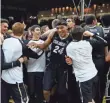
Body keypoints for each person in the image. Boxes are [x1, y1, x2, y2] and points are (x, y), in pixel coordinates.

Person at [28, 20, 72, 103]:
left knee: (62, 92)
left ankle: (55, 90)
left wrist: (71, 60)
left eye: (62, 28)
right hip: (51, 65)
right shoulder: (54, 34)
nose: (59, 30)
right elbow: (44, 45)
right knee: (45, 91)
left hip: (63, 67)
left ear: (67, 27)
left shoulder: (71, 38)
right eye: (58, 28)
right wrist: (36, 44)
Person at [66, 26, 107, 103]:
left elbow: (69, 61)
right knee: (91, 99)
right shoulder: (88, 43)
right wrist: (92, 34)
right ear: (82, 35)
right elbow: (104, 42)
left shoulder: (69, 47)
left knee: (87, 100)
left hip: (83, 78)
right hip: (94, 74)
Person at [27, 25, 46, 103]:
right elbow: (34, 55)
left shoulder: (43, 42)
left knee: (40, 92)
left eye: (39, 30)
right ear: (32, 32)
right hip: (31, 70)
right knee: (31, 92)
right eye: (37, 30)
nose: (39, 31)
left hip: (41, 70)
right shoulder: (29, 43)